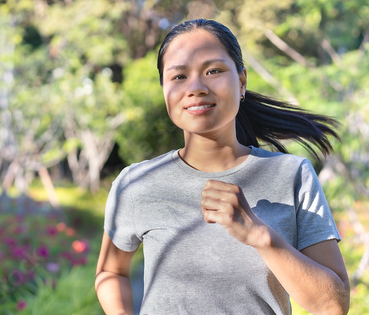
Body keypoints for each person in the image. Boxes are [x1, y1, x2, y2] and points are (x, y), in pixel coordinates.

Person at [95, 19, 350, 315]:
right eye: (178, 76)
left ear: (241, 81)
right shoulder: (137, 183)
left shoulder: (292, 175)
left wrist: (260, 236)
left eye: (213, 71)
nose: (196, 88)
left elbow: (333, 306)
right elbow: (110, 273)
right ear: (164, 89)